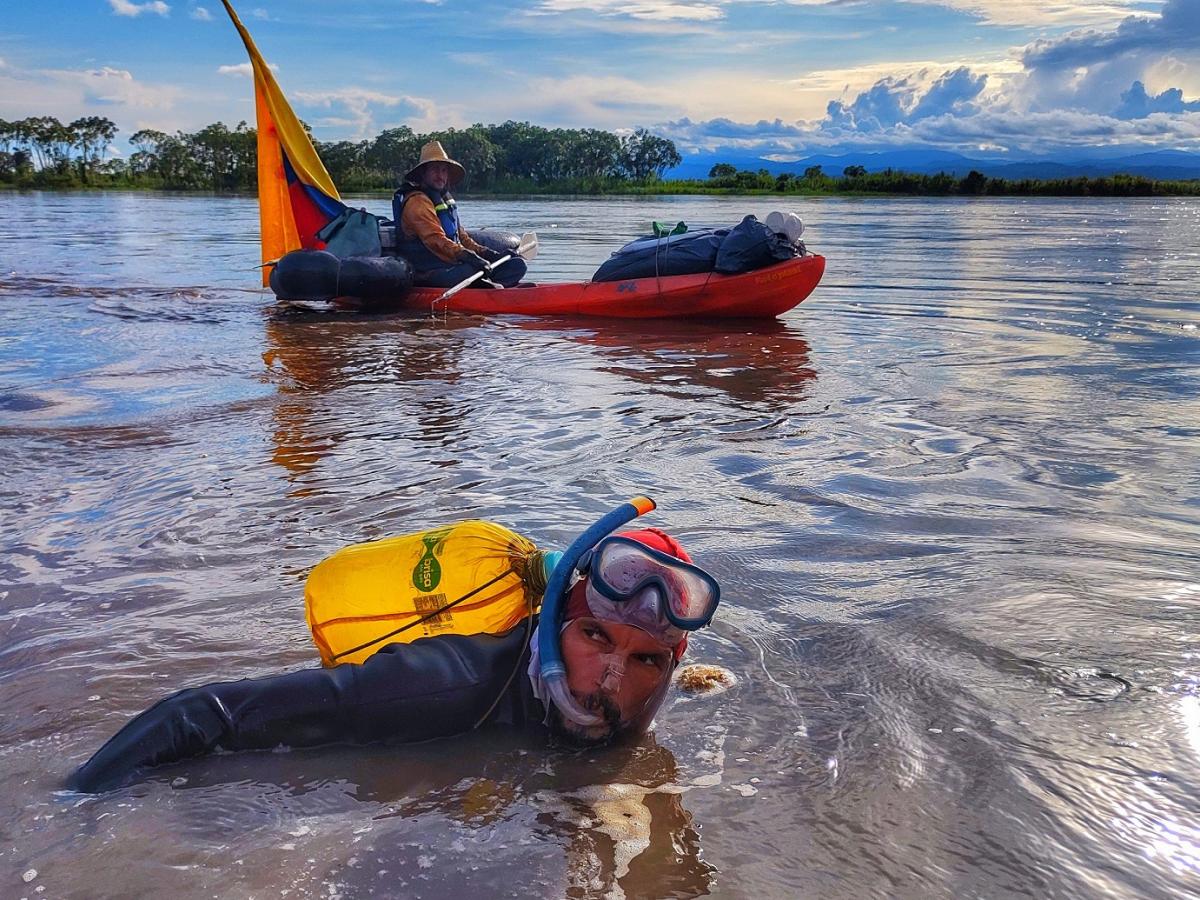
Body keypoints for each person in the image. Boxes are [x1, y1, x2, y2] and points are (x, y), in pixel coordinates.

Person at [66, 522, 721, 793]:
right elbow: (202, 713)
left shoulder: (666, 679)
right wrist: (73, 805)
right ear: (553, 631)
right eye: (595, 638)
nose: (610, 679)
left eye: (645, 663)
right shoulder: (450, 684)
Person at [392, 140, 527, 289]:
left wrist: (490, 254)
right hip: (428, 272)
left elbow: (462, 237)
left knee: (517, 265)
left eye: (444, 170)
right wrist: (468, 257)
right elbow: (436, 240)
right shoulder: (417, 202)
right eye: (435, 170)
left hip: (451, 264)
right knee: (471, 269)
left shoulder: (443, 200)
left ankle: (493, 289)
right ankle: (488, 289)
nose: (440, 175)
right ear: (423, 174)